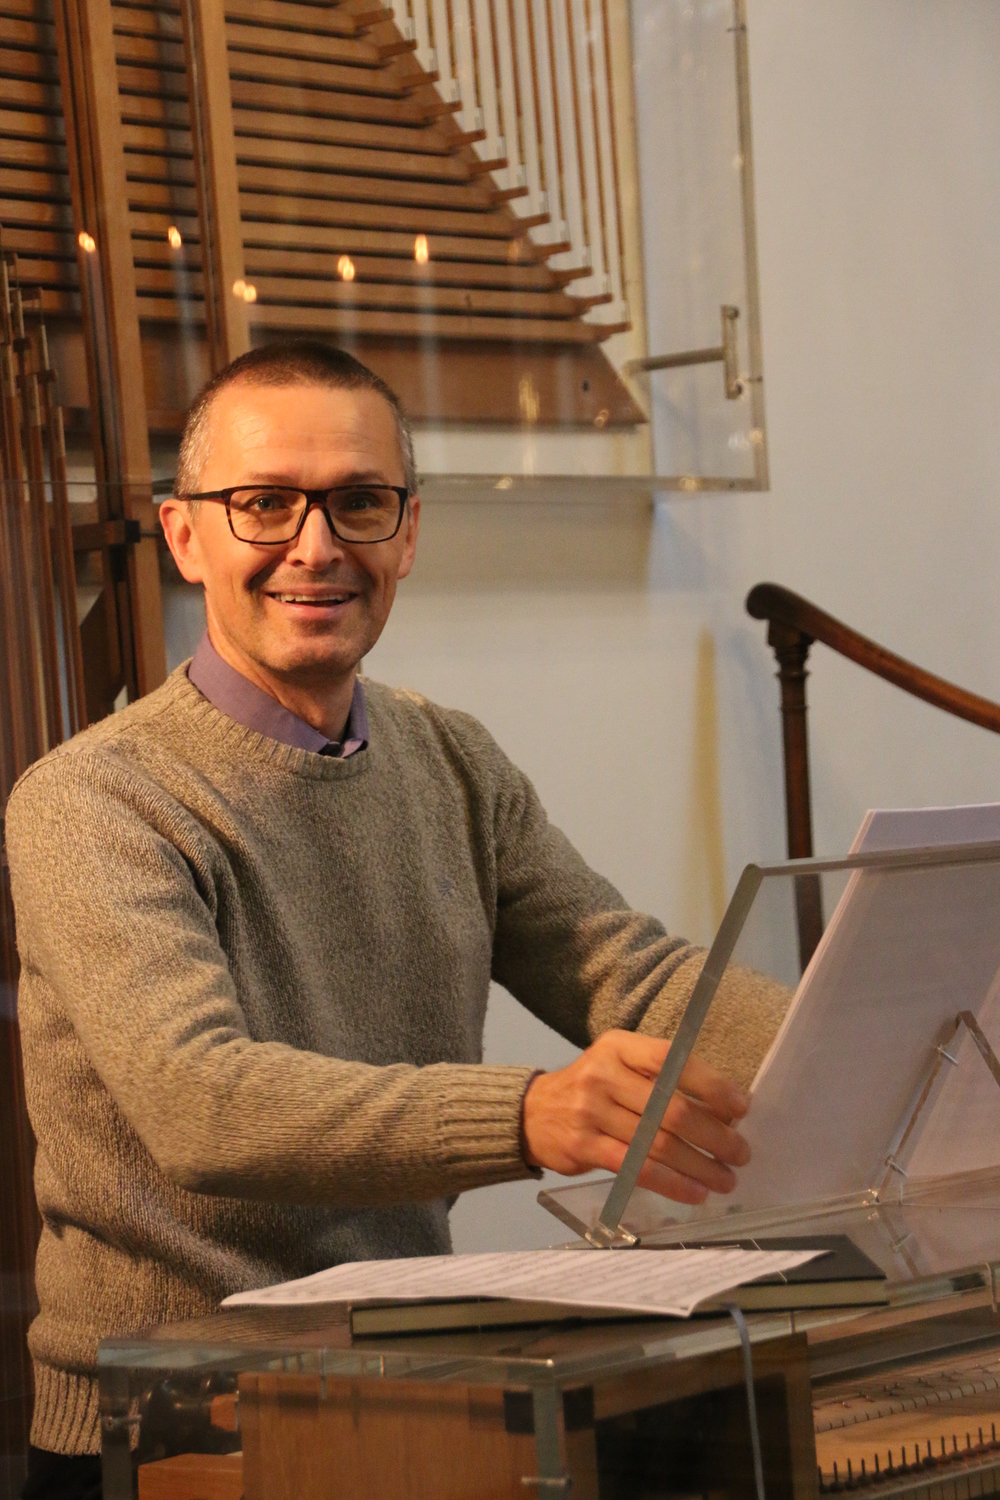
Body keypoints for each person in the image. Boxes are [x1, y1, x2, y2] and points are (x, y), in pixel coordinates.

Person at [5, 342, 788, 1499]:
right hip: (162, 1425)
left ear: (407, 533)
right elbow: (199, 1105)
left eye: (359, 503)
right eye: (264, 504)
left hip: (402, 1384)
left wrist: (875, 1037)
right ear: (185, 536)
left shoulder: (452, 759)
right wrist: (530, 1112)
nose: (315, 546)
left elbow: (630, 974)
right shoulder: (92, 800)